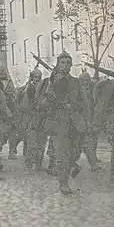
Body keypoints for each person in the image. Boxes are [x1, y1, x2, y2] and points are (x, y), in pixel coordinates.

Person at [37, 51, 88, 195]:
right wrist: (52, 102)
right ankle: (63, 184)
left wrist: (78, 111)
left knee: (75, 152)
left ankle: (71, 166)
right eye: (62, 62)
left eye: (68, 62)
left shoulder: (76, 82)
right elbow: (40, 103)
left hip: (74, 121)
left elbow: (84, 102)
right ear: (58, 65)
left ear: (71, 65)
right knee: (61, 155)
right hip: (57, 122)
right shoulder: (48, 82)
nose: (65, 65)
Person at [13, 67, 47, 170]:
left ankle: (39, 164)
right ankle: (29, 159)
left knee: (41, 143)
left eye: (39, 77)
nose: (37, 79)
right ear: (32, 78)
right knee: (32, 142)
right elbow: (25, 106)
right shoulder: (28, 89)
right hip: (31, 119)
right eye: (35, 77)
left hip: (42, 119)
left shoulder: (44, 89)